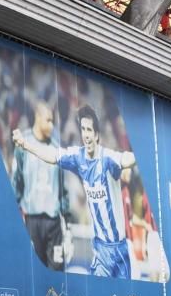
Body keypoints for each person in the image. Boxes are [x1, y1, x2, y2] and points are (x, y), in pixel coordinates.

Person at [13, 104, 136, 278]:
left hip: (120, 248)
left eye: (89, 130)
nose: (85, 134)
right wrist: (26, 145)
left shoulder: (108, 158)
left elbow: (126, 159)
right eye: (83, 129)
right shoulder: (78, 157)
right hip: (101, 250)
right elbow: (53, 155)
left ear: (97, 134)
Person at [11, 101, 68, 271]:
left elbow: (62, 188)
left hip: (54, 223)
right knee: (32, 273)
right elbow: (17, 180)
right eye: (48, 120)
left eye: (53, 121)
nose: (51, 125)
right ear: (37, 117)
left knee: (57, 274)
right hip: (31, 221)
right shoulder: (23, 144)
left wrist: (68, 221)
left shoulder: (56, 148)